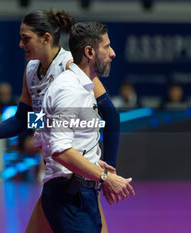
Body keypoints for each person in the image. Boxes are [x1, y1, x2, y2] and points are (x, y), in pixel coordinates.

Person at [0, 10, 121, 233]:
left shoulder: (70, 66)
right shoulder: (31, 69)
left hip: (76, 174)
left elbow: (111, 115)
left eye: (26, 38)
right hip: (56, 175)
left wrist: (108, 174)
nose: (21, 44)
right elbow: (26, 120)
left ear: (46, 38)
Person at [37, 21, 135, 233]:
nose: (113, 53)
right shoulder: (70, 90)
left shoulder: (83, 87)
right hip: (70, 197)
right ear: (89, 52)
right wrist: (106, 177)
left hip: (81, 194)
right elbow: (61, 151)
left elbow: (71, 144)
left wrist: (95, 163)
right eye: (107, 47)